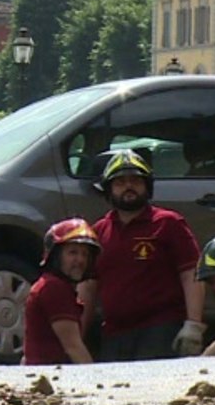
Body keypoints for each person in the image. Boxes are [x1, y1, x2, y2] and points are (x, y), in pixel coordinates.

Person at [81, 149, 205, 361]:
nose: (128, 187)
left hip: (160, 331)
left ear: (147, 187)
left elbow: (191, 273)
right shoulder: (98, 232)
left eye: (135, 181)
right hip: (114, 334)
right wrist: (77, 334)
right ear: (108, 190)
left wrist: (193, 324)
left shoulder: (169, 223)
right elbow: (88, 288)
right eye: (120, 182)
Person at [22, 218, 99, 365]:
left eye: (85, 254)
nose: (80, 260)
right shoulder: (54, 288)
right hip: (51, 375)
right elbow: (74, 348)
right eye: (73, 252)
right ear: (56, 256)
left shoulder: (51, 285)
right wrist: (96, 381)